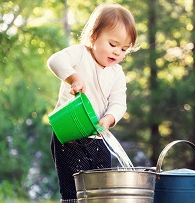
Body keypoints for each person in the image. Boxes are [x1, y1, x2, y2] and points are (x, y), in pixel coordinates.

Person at [47, 3, 138, 202]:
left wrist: (108, 119)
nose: (117, 53)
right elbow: (55, 60)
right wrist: (73, 78)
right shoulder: (80, 54)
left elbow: (119, 102)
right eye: (113, 45)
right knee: (74, 190)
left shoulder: (117, 73)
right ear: (93, 36)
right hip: (69, 135)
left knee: (101, 190)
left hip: (99, 138)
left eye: (124, 49)